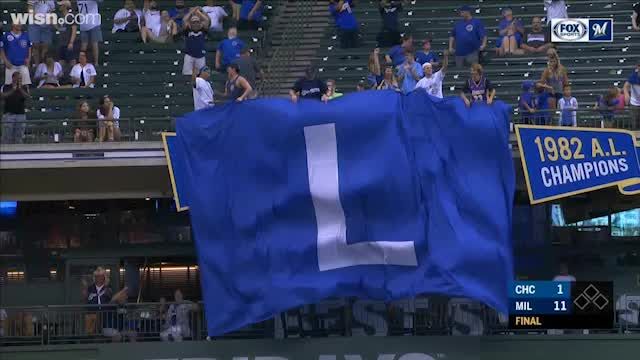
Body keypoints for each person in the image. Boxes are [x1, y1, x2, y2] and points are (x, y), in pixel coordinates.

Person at [0, 22, 32, 86]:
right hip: (10, 65)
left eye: (20, 23)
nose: (19, 25)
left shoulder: (26, 35)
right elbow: (1, 49)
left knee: (26, 86)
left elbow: (29, 48)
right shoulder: (6, 35)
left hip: (23, 64)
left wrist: (29, 59)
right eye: (17, 23)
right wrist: (5, 61)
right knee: (9, 86)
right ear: (12, 24)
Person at [1, 72, 29, 144]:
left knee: (19, 136)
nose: (19, 80)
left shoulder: (24, 87)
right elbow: (3, 96)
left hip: (21, 114)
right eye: (18, 78)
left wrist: (20, 89)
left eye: (20, 78)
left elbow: (27, 97)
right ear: (13, 78)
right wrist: (13, 89)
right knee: (7, 136)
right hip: (9, 114)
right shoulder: (6, 87)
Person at [27, 0, 56, 67]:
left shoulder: (51, 1)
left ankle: (43, 65)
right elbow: (30, 9)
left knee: (45, 45)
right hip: (34, 23)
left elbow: (51, 12)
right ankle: (37, 65)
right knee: (35, 45)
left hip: (46, 24)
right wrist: (37, 18)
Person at [182, 10, 209, 76]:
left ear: (200, 23)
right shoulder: (188, 31)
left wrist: (199, 12)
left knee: (202, 75)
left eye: (197, 22)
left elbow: (207, 20)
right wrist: (192, 11)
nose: (195, 24)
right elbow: (184, 20)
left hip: (200, 56)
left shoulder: (203, 31)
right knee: (186, 74)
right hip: (189, 55)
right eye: (193, 22)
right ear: (191, 23)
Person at [77, 0, 103, 65]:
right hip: (93, 22)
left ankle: (82, 63)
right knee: (94, 44)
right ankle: (95, 63)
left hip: (83, 24)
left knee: (84, 45)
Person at [54, 1, 78, 67]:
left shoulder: (70, 17)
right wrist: (54, 24)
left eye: (61, 5)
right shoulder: (61, 17)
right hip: (62, 43)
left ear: (65, 6)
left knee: (72, 61)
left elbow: (74, 30)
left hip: (68, 43)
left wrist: (71, 42)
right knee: (61, 60)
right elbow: (60, 29)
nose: (59, 7)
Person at [623, 62, 640, 130]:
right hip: (634, 102)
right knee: (634, 121)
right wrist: (626, 94)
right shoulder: (633, 76)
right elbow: (625, 86)